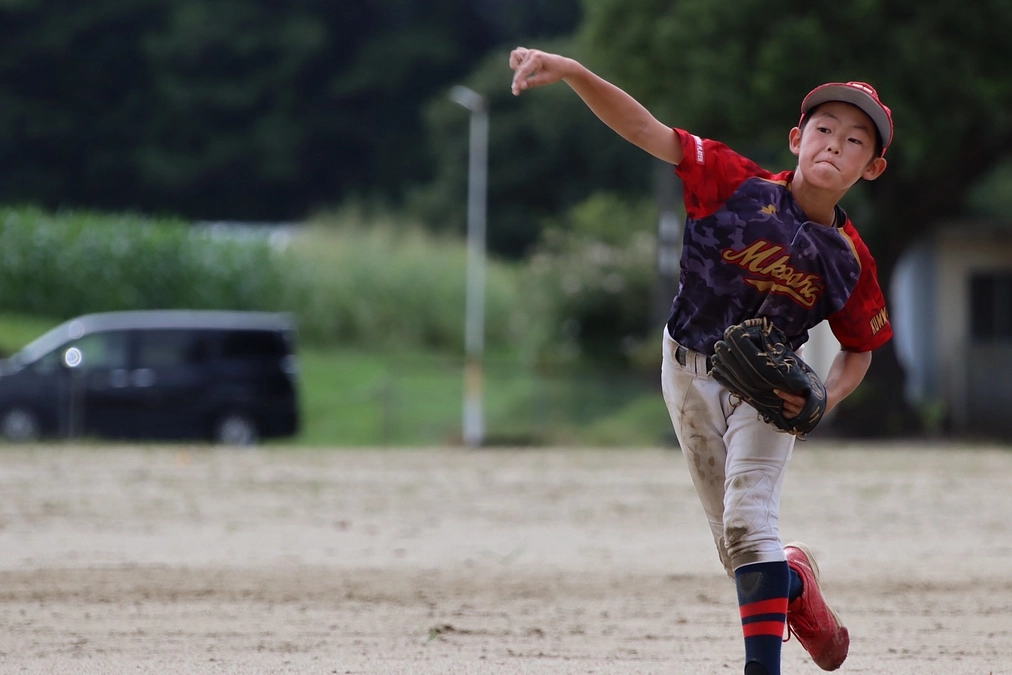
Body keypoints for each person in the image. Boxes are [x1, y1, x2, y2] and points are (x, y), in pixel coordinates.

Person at [509, 47, 895, 675]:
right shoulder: (733, 182)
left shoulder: (850, 260)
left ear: (872, 167)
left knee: (750, 524)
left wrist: (822, 398)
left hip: (771, 391)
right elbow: (645, 130)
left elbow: (860, 350)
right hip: (686, 370)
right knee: (736, 549)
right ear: (797, 138)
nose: (834, 145)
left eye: (855, 140)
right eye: (824, 129)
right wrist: (576, 73)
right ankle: (794, 586)